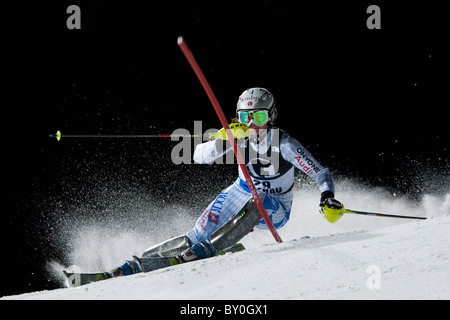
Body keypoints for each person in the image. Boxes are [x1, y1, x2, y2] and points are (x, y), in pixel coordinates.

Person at [118, 87, 343, 275]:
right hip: (240, 191)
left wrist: (327, 196)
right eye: (247, 117)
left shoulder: (283, 144)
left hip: (276, 206)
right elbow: (198, 156)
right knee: (197, 234)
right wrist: (225, 140)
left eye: (260, 117)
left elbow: (320, 172)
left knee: (259, 198)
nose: (253, 124)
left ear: (272, 116)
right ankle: (143, 260)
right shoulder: (236, 135)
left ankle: (209, 248)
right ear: (239, 117)